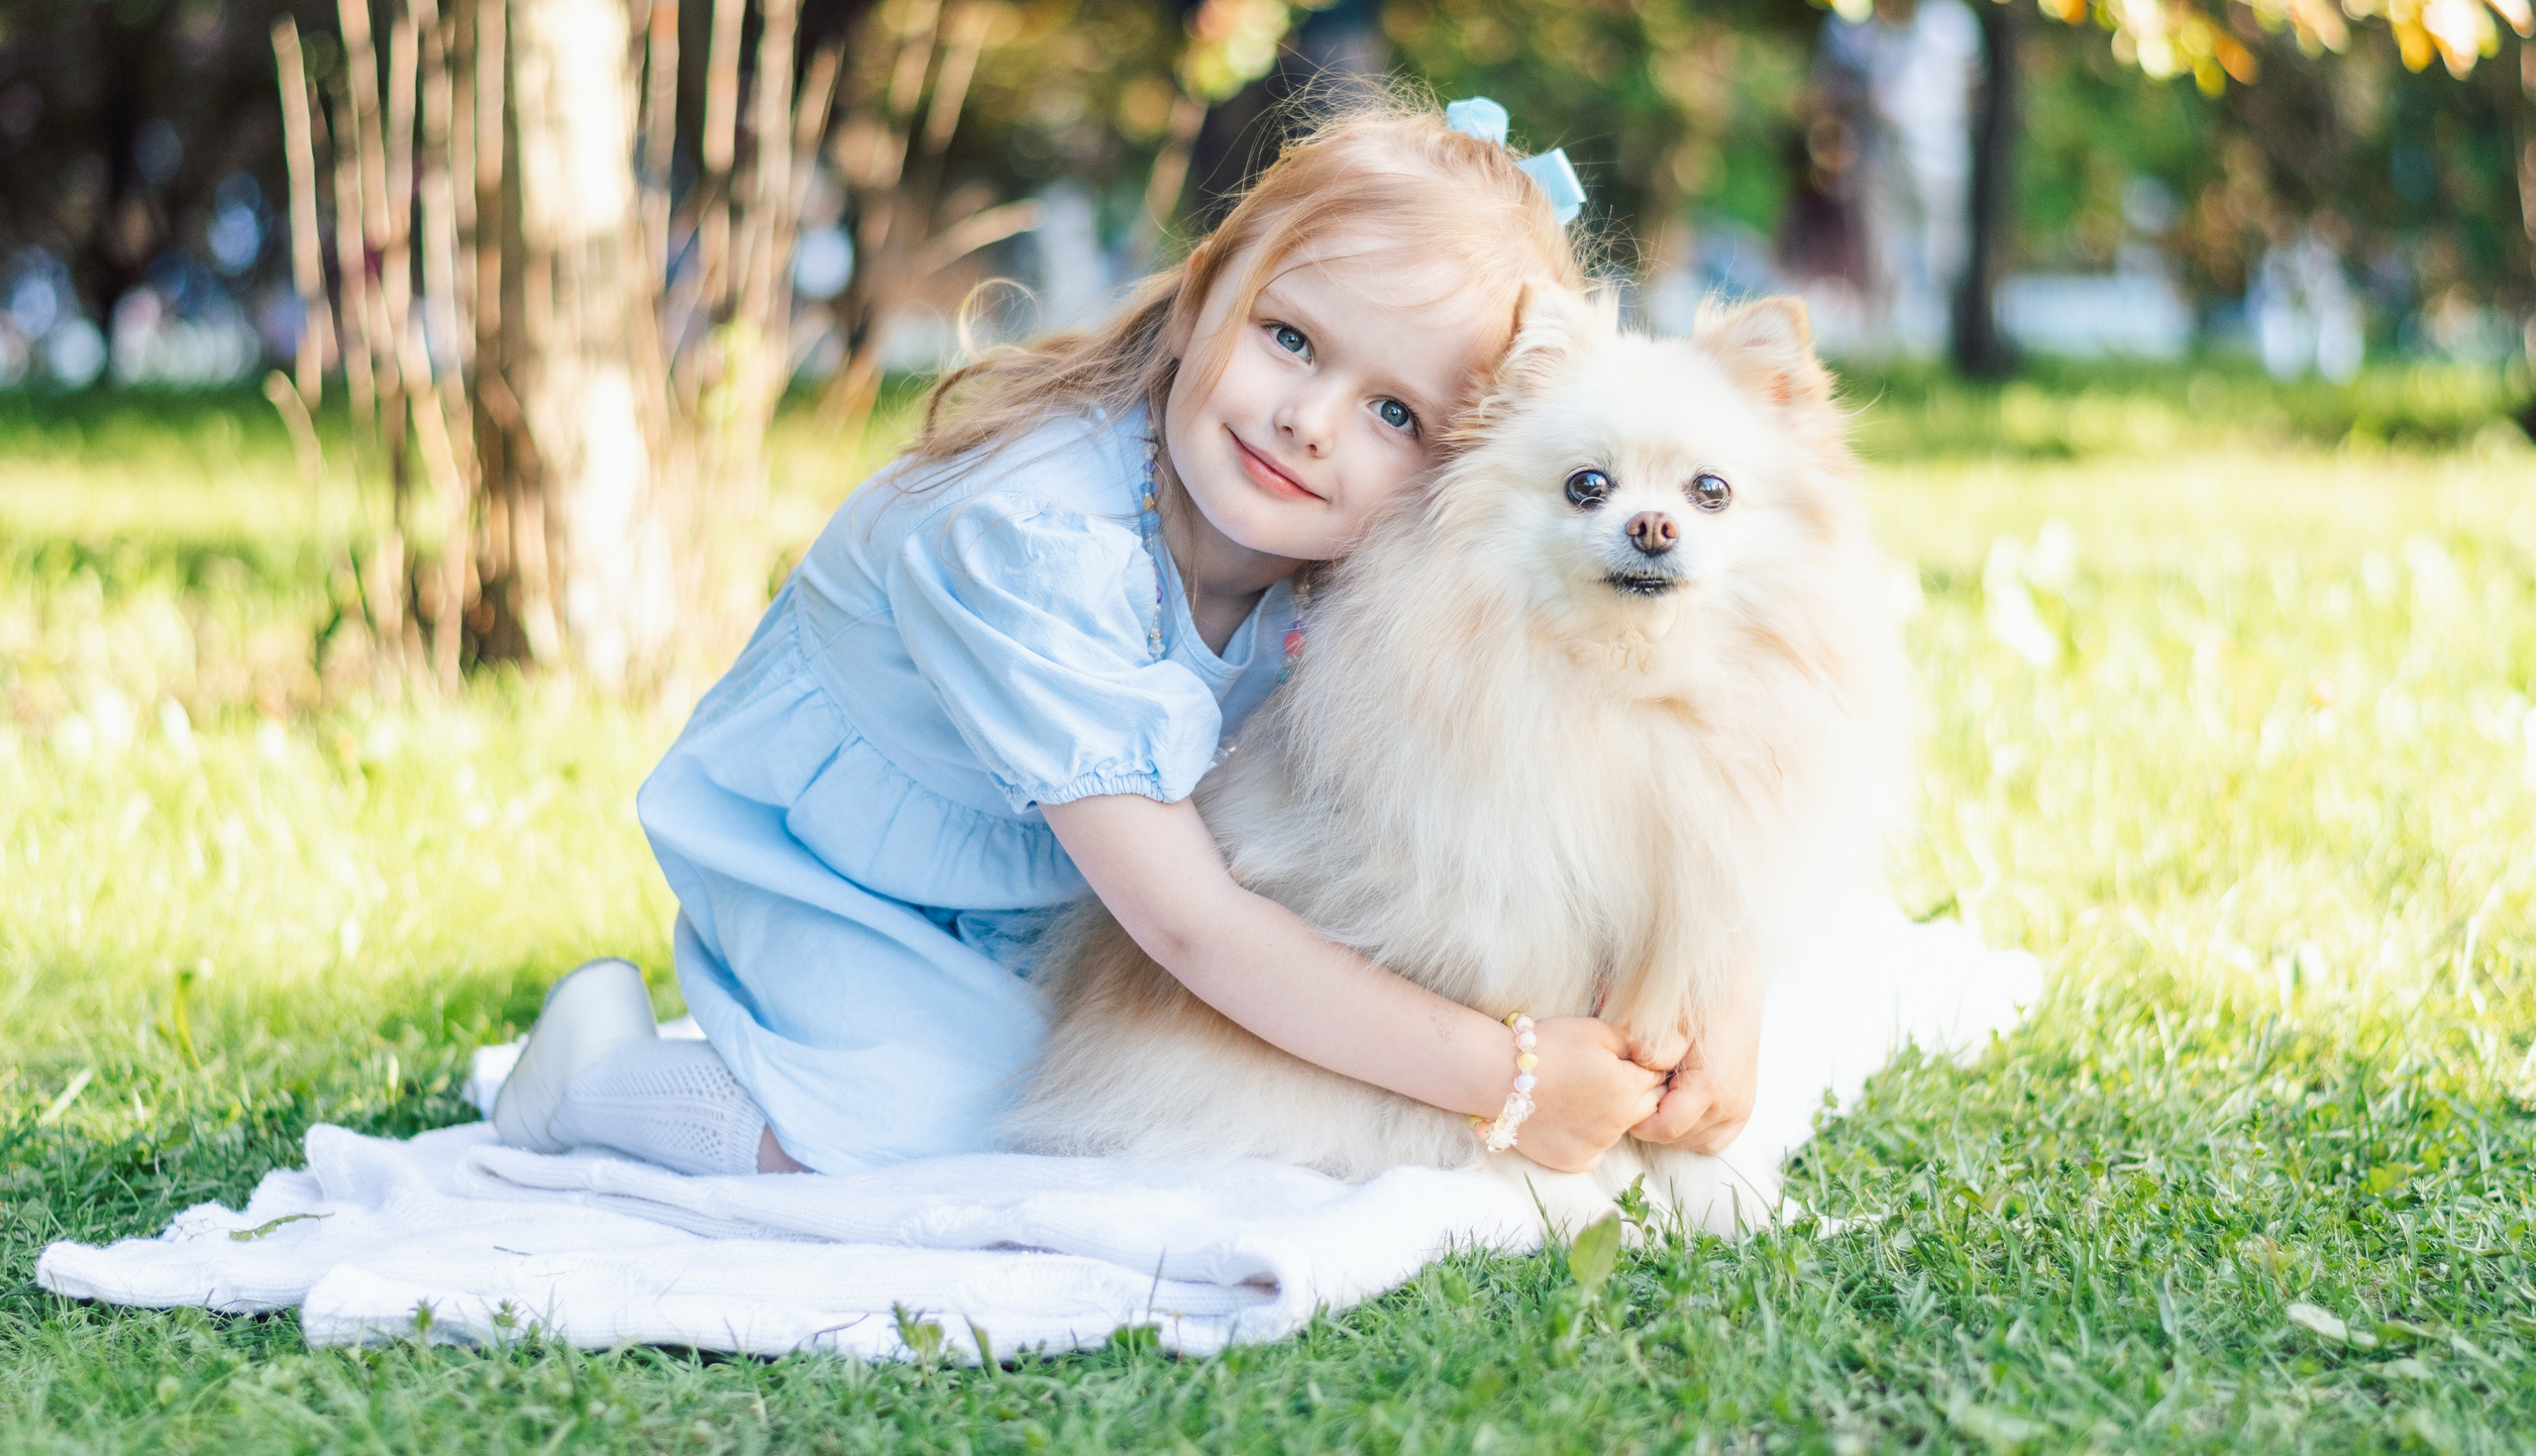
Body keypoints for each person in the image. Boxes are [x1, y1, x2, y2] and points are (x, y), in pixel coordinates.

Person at [491, 91, 1748, 1180]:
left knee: (1150, 1066)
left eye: (1395, 412)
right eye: (1290, 338)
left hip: (1077, 885)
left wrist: (1708, 997)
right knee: (940, 1125)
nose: (1309, 420)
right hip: (853, 875)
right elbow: (1193, 927)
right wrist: (1506, 1080)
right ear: (1210, 292)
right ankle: (591, 1084)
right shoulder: (1023, 541)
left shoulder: (1379, 550)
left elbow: (1580, 784)